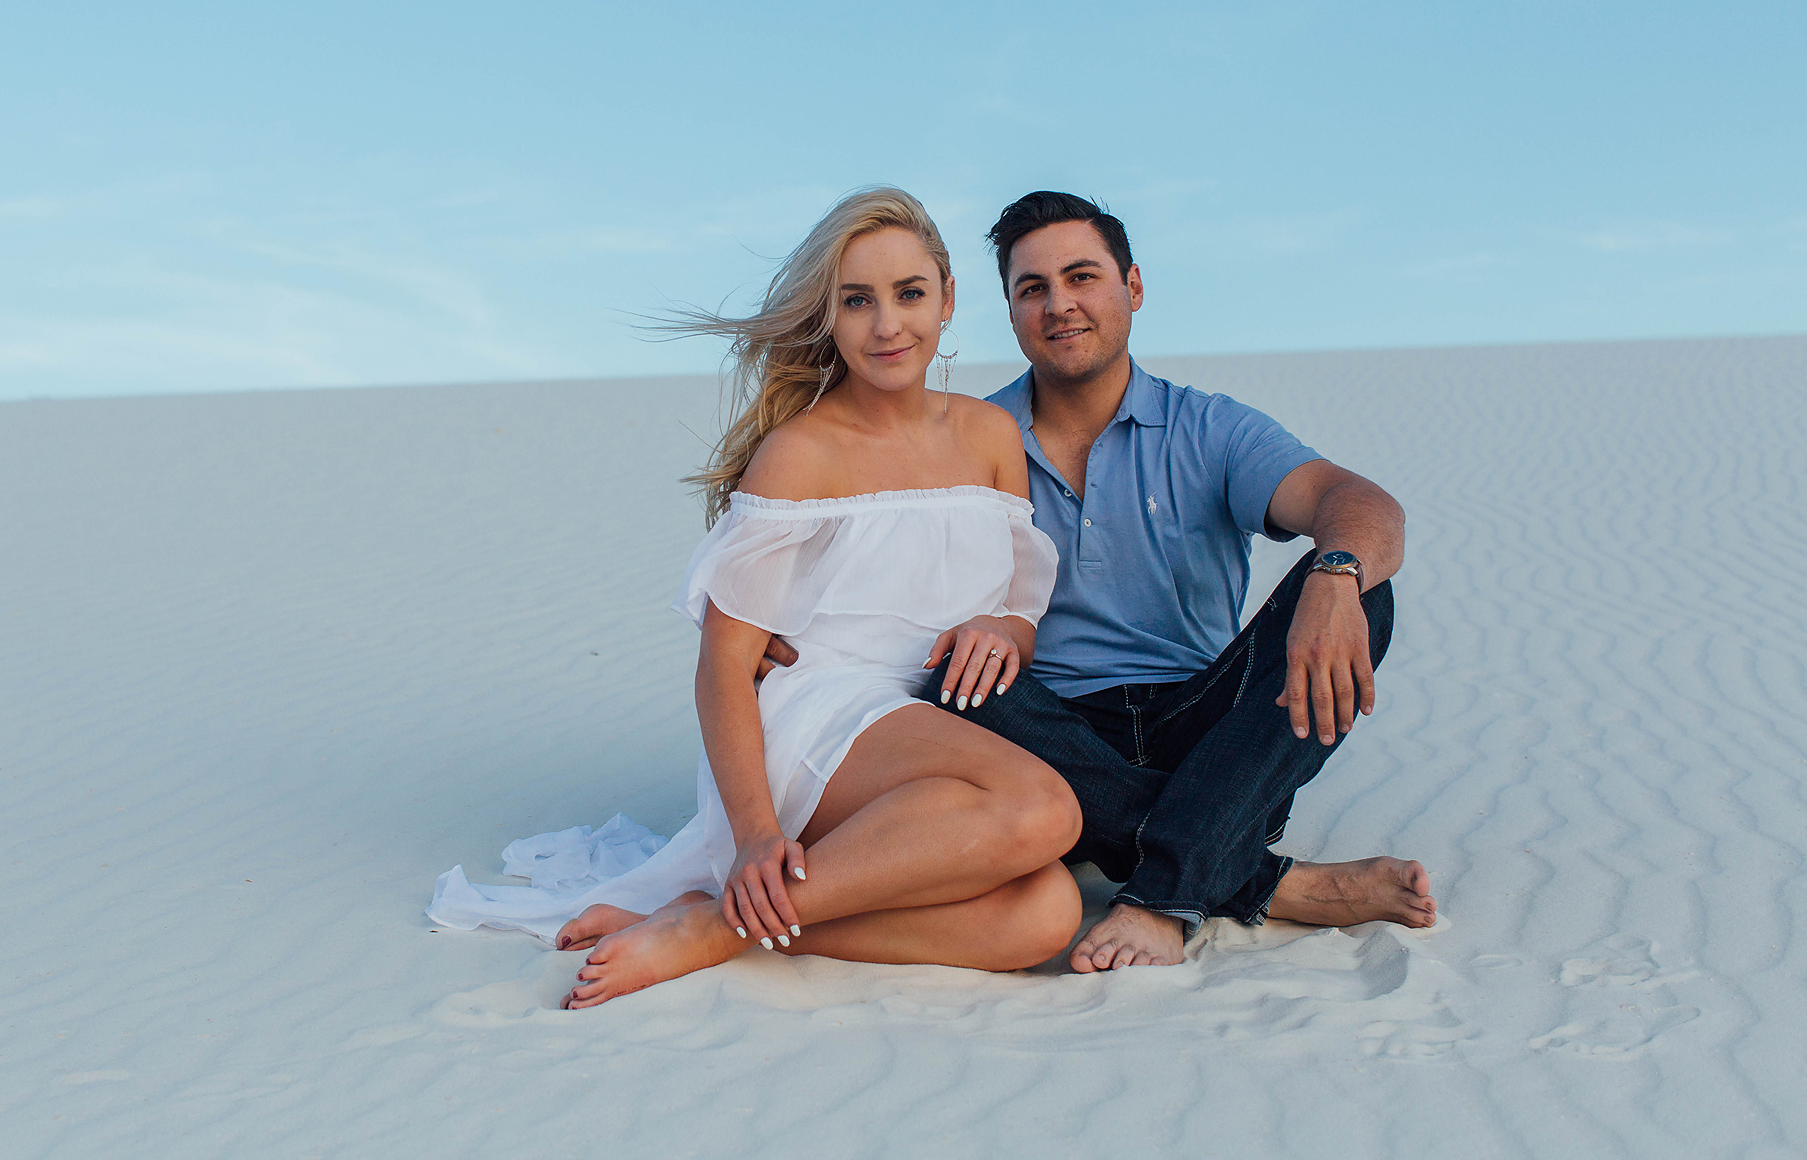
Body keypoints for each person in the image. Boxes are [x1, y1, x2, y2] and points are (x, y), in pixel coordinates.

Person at [428, 187, 1084, 1008]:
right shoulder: (802, 453)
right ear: (828, 316)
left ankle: (722, 923)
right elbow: (724, 666)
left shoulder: (990, 438)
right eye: (857, 300)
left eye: (910, 294)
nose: (888, 325)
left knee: (1046, 912)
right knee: (1044, 806)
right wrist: (753, 837)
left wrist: (1004, 628)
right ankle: (721, 921)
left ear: (948, 300)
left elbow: (1018, 604)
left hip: (927, 724)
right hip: (816, 714)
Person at [761, 191, 1438, 971]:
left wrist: (1335, 573)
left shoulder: (1209, 428)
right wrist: (784, 625)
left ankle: (1165, 888)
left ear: (1133, 287)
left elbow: (1358, 503)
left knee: (1366, 595)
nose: (1060, 305)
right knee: (955, 677)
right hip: (1045, 738)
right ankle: (1248, 878)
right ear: (1009, 313)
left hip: (1208, 739)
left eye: (1082, 277)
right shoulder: (969, 440)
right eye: (1032, 288)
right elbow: (854, 552)